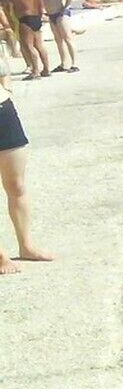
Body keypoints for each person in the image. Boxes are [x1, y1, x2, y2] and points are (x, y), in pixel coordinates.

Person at [0, 69, 53, 274]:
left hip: (3, 111)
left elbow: (3, 68)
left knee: (17, 185)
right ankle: (1, 255)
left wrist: (7, 88)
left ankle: (26, 245)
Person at [5, 0, 50, 79]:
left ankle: (35, 71)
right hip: (36, 17)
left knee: (28, 45)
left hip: (25, 18)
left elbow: (5, 0)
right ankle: (46, 69)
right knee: (39, 45)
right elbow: (41, 5)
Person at [37, 0, 78, 73]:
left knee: (67, 38)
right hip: (51, 14)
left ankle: (74, 63)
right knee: (58, 40)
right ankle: (63, 63)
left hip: (61, 13)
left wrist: (66, 6)